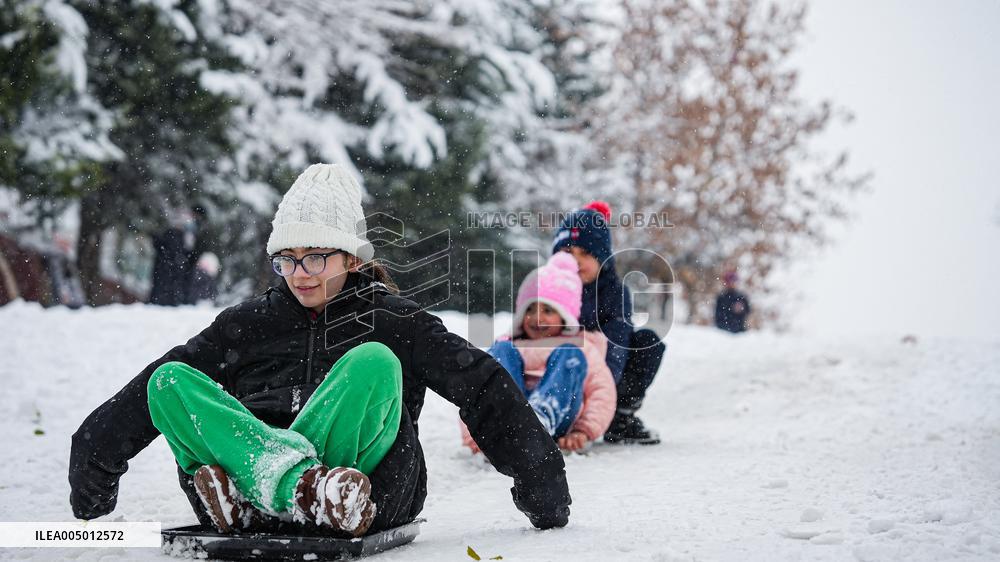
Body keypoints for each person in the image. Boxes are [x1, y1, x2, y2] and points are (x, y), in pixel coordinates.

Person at [69, 164, 571, 538]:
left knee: (373, 362)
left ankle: (281, 492)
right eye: (286, 260)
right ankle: (288, 490)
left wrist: (540, 483)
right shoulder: (248, 324)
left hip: (362, 485)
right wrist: (95, 455)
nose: (301, 273)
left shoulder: (395, 321)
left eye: (315, 256)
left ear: (352, 257)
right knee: (171, 381)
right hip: (241, 486)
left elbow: (482, 385)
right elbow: (163, 390)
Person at [460, 253, 615, 454]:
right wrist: (475, 434)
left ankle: (540, 418)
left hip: (557, 421)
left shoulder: (579, 347)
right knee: (498, 354)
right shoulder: (509, 345)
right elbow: (476, 389)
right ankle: (503, 422)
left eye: (548, 310)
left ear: (565, 316)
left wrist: (583, 431)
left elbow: (601, 392)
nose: (537, 318)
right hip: (507, 420)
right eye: (530, 309)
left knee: (570, 356)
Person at [552, 201, 665, 445]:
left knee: (647, 344)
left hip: (604, 375)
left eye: (586, 254)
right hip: (558, 376)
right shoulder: (549, 289)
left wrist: (602, 390)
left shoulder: (615, 294)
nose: (577, 261)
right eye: (569, 253)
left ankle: (618, 417)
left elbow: (617, 343)